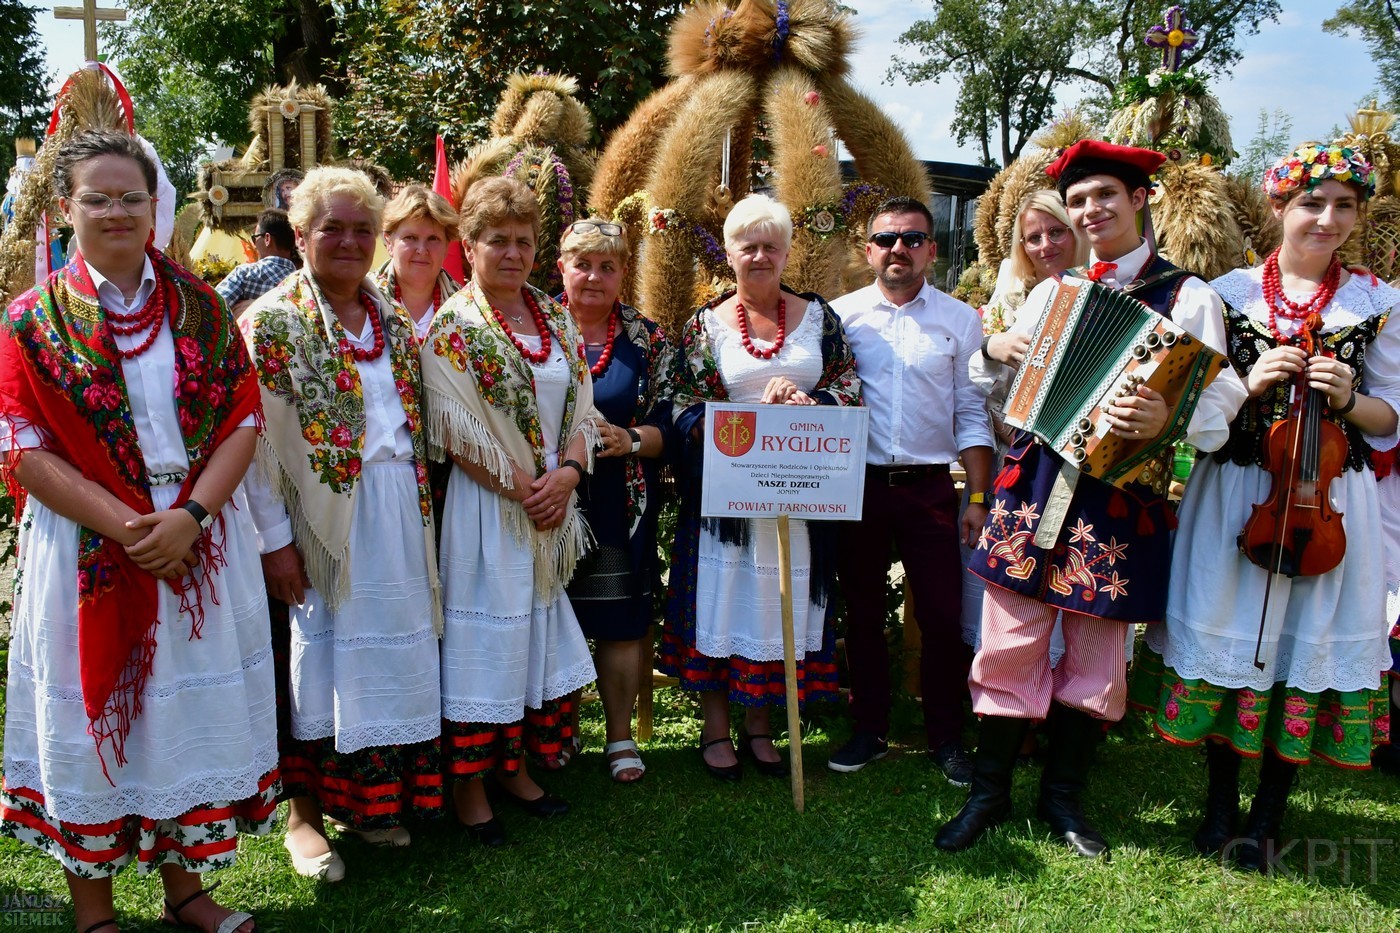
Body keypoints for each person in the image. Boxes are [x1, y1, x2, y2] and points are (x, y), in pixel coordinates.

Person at [938, 140, 1248, 860]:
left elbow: (1222, 395)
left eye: (1104, 196)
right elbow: (1004, 397)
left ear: (1141, 200)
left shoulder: (1191, 297)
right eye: (1078, 201)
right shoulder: (1056, 291)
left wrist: (1167, 418)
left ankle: (1063, 798)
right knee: (1008, 639)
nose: (1089, 211)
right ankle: (988, 792)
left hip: (1118, 498)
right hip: (1038, 482)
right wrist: (998, 351)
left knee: (1096, 654)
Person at [0, 130, 274, 933]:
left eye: (131, 196)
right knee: (99, 726)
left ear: (156, 207)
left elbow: (242, 417)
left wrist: (188, 517)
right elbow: (22, 448)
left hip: (193, 543)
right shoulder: (30, 322)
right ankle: (95, 911)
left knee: (181, 720)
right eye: (98, 197)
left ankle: (188, 892)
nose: (117, 211)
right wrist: (128, 527)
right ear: (64, 208)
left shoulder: (200, 305)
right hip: (88, 545)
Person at [1136, 144, 1399, 871]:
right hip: (1238, 490)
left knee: (1296, 645)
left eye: (1345, 205)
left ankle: (1267, 815)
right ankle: (1220, 803)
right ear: (1279, 206)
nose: (1328, 218)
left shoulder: (1379, 303)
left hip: (1328, 501)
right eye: (1313, 203)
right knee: (1229, 636)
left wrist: (1350, 396)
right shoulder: (1224, 293)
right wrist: (1250, 382)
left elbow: (1391, 417)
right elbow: (1191, 407)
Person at [243, 166, 442, 882]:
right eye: (334, 227)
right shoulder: (272, 321)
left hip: (397, 511)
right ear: (299, 235)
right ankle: (303, 816)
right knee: (317, 664)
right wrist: (277, 545)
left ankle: (371, 802)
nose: (351, 241)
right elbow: (256, 446)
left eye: (364, 228)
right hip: (320, 523)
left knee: (383, 662)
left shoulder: (387, 315)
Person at [421, 177, 599, 845]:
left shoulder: (554, 317)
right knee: (482, 644)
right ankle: (470, 787)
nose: (513, 252)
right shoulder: (453, 326)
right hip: (491, 513)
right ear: (468, 246)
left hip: (550, 507)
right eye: (498, 239)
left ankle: (515, 768)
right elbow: (454, 427)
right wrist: (528, 487)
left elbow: (583, 407)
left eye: (525, 240)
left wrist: (571, 475)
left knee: (529, 642)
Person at [660, 194, 862, 781]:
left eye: (771, 244)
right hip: (729, 498)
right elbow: (680, 403)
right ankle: (716, 728)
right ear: (728, 253)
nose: (759, 255)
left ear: (787, 250)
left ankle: (761, 725)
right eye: (747, 245)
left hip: (799, 493)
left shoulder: (819, 317)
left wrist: (810, 402)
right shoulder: (705, 325)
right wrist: (733, 424)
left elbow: (848, 383)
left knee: (780, 609)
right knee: (722, 605)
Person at [826, 195, 994, 784]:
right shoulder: (840, 318)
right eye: (887, 238)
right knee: (865, 613)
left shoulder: (959, 321)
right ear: (868, 249)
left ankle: (947, 735)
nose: (900, 248)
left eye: (913, 238)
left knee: (943, 616)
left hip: (930, 489)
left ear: (933, 249)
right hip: (860, 487)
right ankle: (869, 728)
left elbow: (972, 414)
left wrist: (977, 497)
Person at [557, 219, 676, 782]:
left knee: (619, 621)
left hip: (617, 503)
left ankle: (620, 737)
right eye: (583, 263)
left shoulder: (648, 341)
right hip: (541, 500)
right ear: (561, 266)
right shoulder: (530, 327)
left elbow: (669, 426)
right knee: (544, 617)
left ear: (624, 272)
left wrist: (631, 439)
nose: (594, 277)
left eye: (608, 266)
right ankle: (553, 733)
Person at [376, 183, 462, 341]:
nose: (422, 250)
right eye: (410, 238)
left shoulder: (467, 307)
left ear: (446, 247)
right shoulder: (363, 299)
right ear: (389, 242)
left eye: (433, 239)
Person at [215, 208, 298, 317]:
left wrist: (256, 307)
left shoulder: (245, 274)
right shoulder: (304, 281)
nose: (254, 245)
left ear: (267, 239)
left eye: (255, 238)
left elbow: (213, 309)